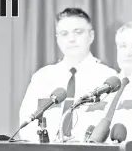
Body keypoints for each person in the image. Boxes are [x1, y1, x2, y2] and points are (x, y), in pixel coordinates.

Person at [19, 7, 117, 142]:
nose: (71, 39)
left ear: (91, 36)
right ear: (58, 39)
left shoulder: (109, 78)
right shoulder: (42, 77)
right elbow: (26, 123)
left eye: (78, 32)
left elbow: (116, 122)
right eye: (64, 34)